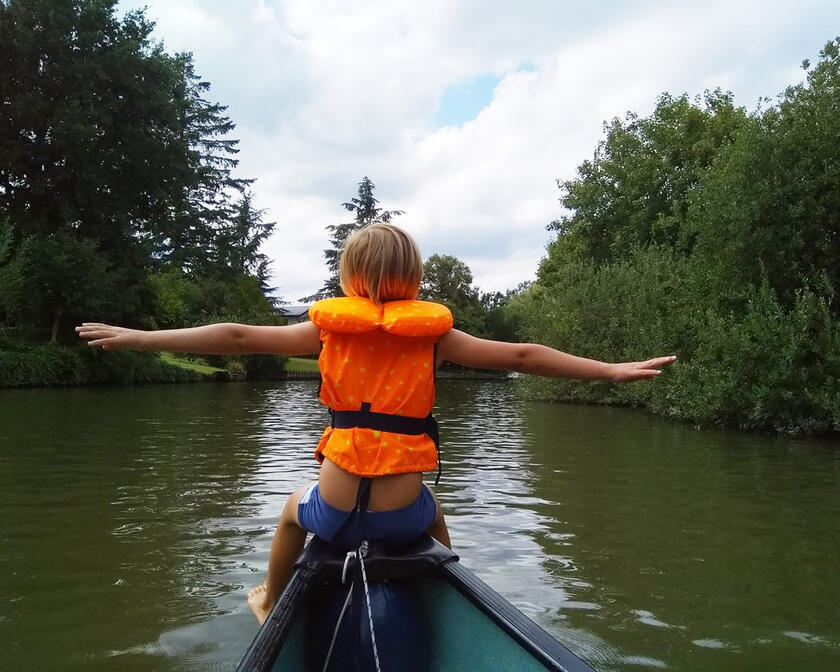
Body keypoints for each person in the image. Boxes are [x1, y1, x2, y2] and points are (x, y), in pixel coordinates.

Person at [77, 223, 676, 625]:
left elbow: (232, 334)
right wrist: (610, 371)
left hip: (333, 511)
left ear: (349, 277)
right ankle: (447, 597)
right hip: (401, 513)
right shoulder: (436, 337)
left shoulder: (324, 331)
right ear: (412, 278)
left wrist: (138, 337)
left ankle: (272, 601)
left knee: (290, 510)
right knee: (435, 508)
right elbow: (524, 355)